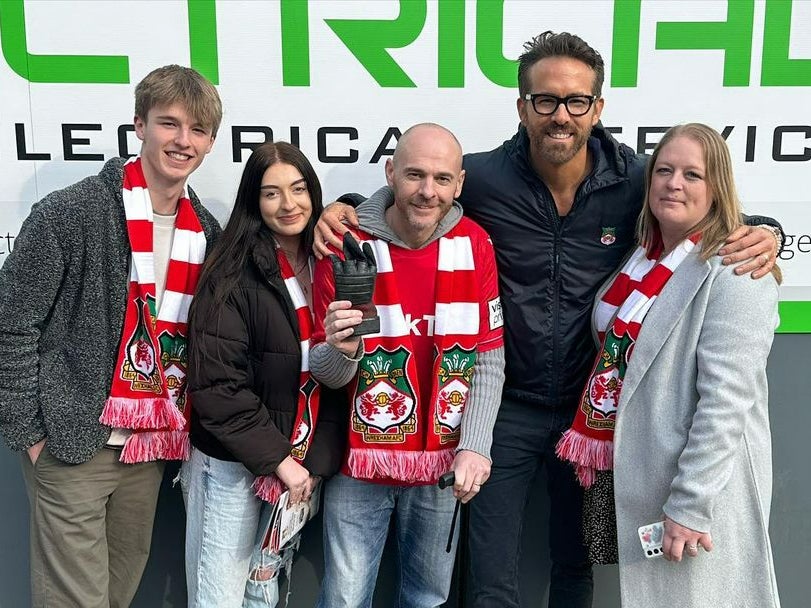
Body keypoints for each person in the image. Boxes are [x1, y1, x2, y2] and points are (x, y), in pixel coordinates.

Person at [315, 32, 782, 608]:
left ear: (598, 108)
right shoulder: (482, 177)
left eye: (576, 101)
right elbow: (418, 192)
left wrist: (769, 230)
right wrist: (344, 210)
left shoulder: (637, 180)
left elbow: (706, 201)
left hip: (593, 419)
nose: (561, 115)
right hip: (506, 409)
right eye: (545, 100)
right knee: (486, 575)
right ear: (522, 107)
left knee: (574, 570)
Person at [0, 65, 222, 607]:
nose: (182, 141)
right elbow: (12, 324)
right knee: (74, 601)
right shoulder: (69, 213)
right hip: (72, 443)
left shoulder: (207, 232)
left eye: (197, 130)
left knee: (118, 592)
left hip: (147, 450)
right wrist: (31, 434)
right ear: (139, 125)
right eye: (169, 124)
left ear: (211, 142)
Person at [557, 123, 781, 607]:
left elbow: (726, 404)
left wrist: (691, 503)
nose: (674, 183)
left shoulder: (737, 271)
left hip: (694, 484)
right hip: (638, 467)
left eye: (693, 175)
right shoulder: (642, 258)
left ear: (717, 187)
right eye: (664, 170)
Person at [310, 123, 505, 607]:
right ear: (390, 172)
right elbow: (323, 370)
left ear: (459, 184)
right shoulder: (343, 243)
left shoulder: (476, 244)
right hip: (360, 463)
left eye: (442, 179)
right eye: (415, 175)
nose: (427, 191)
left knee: (427, 600)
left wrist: (476, 447)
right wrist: (343, 349)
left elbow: (488, 357)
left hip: (443, 463)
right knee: (344, 599)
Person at [182, 141, 347, 607]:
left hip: (300, 462)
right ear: (254, 201)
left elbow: (334, 381)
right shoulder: (231, 271)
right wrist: (281, 462)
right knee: (220, 598)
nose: (289, 204)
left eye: (298, 189)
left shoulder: (330, 262)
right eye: (272, 193)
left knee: (261, 590)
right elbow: (218, 386)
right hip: (234, 466)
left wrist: (312, 463)